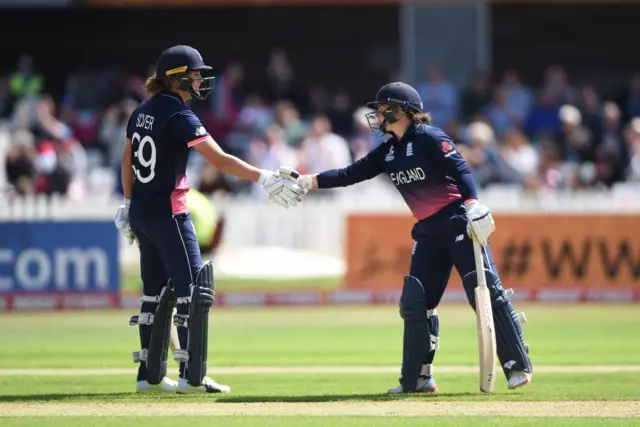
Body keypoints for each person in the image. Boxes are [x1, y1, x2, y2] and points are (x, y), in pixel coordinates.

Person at [282, 82, 533, 393]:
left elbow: (461, 169)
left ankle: (516, 364)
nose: (376, 115)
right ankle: (418, 378)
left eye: (382, 108)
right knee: (416, 302)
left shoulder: (429, 137)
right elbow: (350, 174)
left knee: (484, 294)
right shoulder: (388, 151)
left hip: (458, 224)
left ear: (400, 110)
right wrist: (307, 181)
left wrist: (472, 203)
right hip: (428, 231)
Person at [114, 45, 304, 394]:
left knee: (153, 293)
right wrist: (262, 176)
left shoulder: (142, 109)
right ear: (175, 78)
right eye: (194, 73)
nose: (200, 79)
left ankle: (149, 375)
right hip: (170, 212)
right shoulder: (178, 115)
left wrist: (128, 203)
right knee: (193, 292)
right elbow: (219, 159)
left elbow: (127, 159)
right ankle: (192, 376)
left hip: (142, 211)